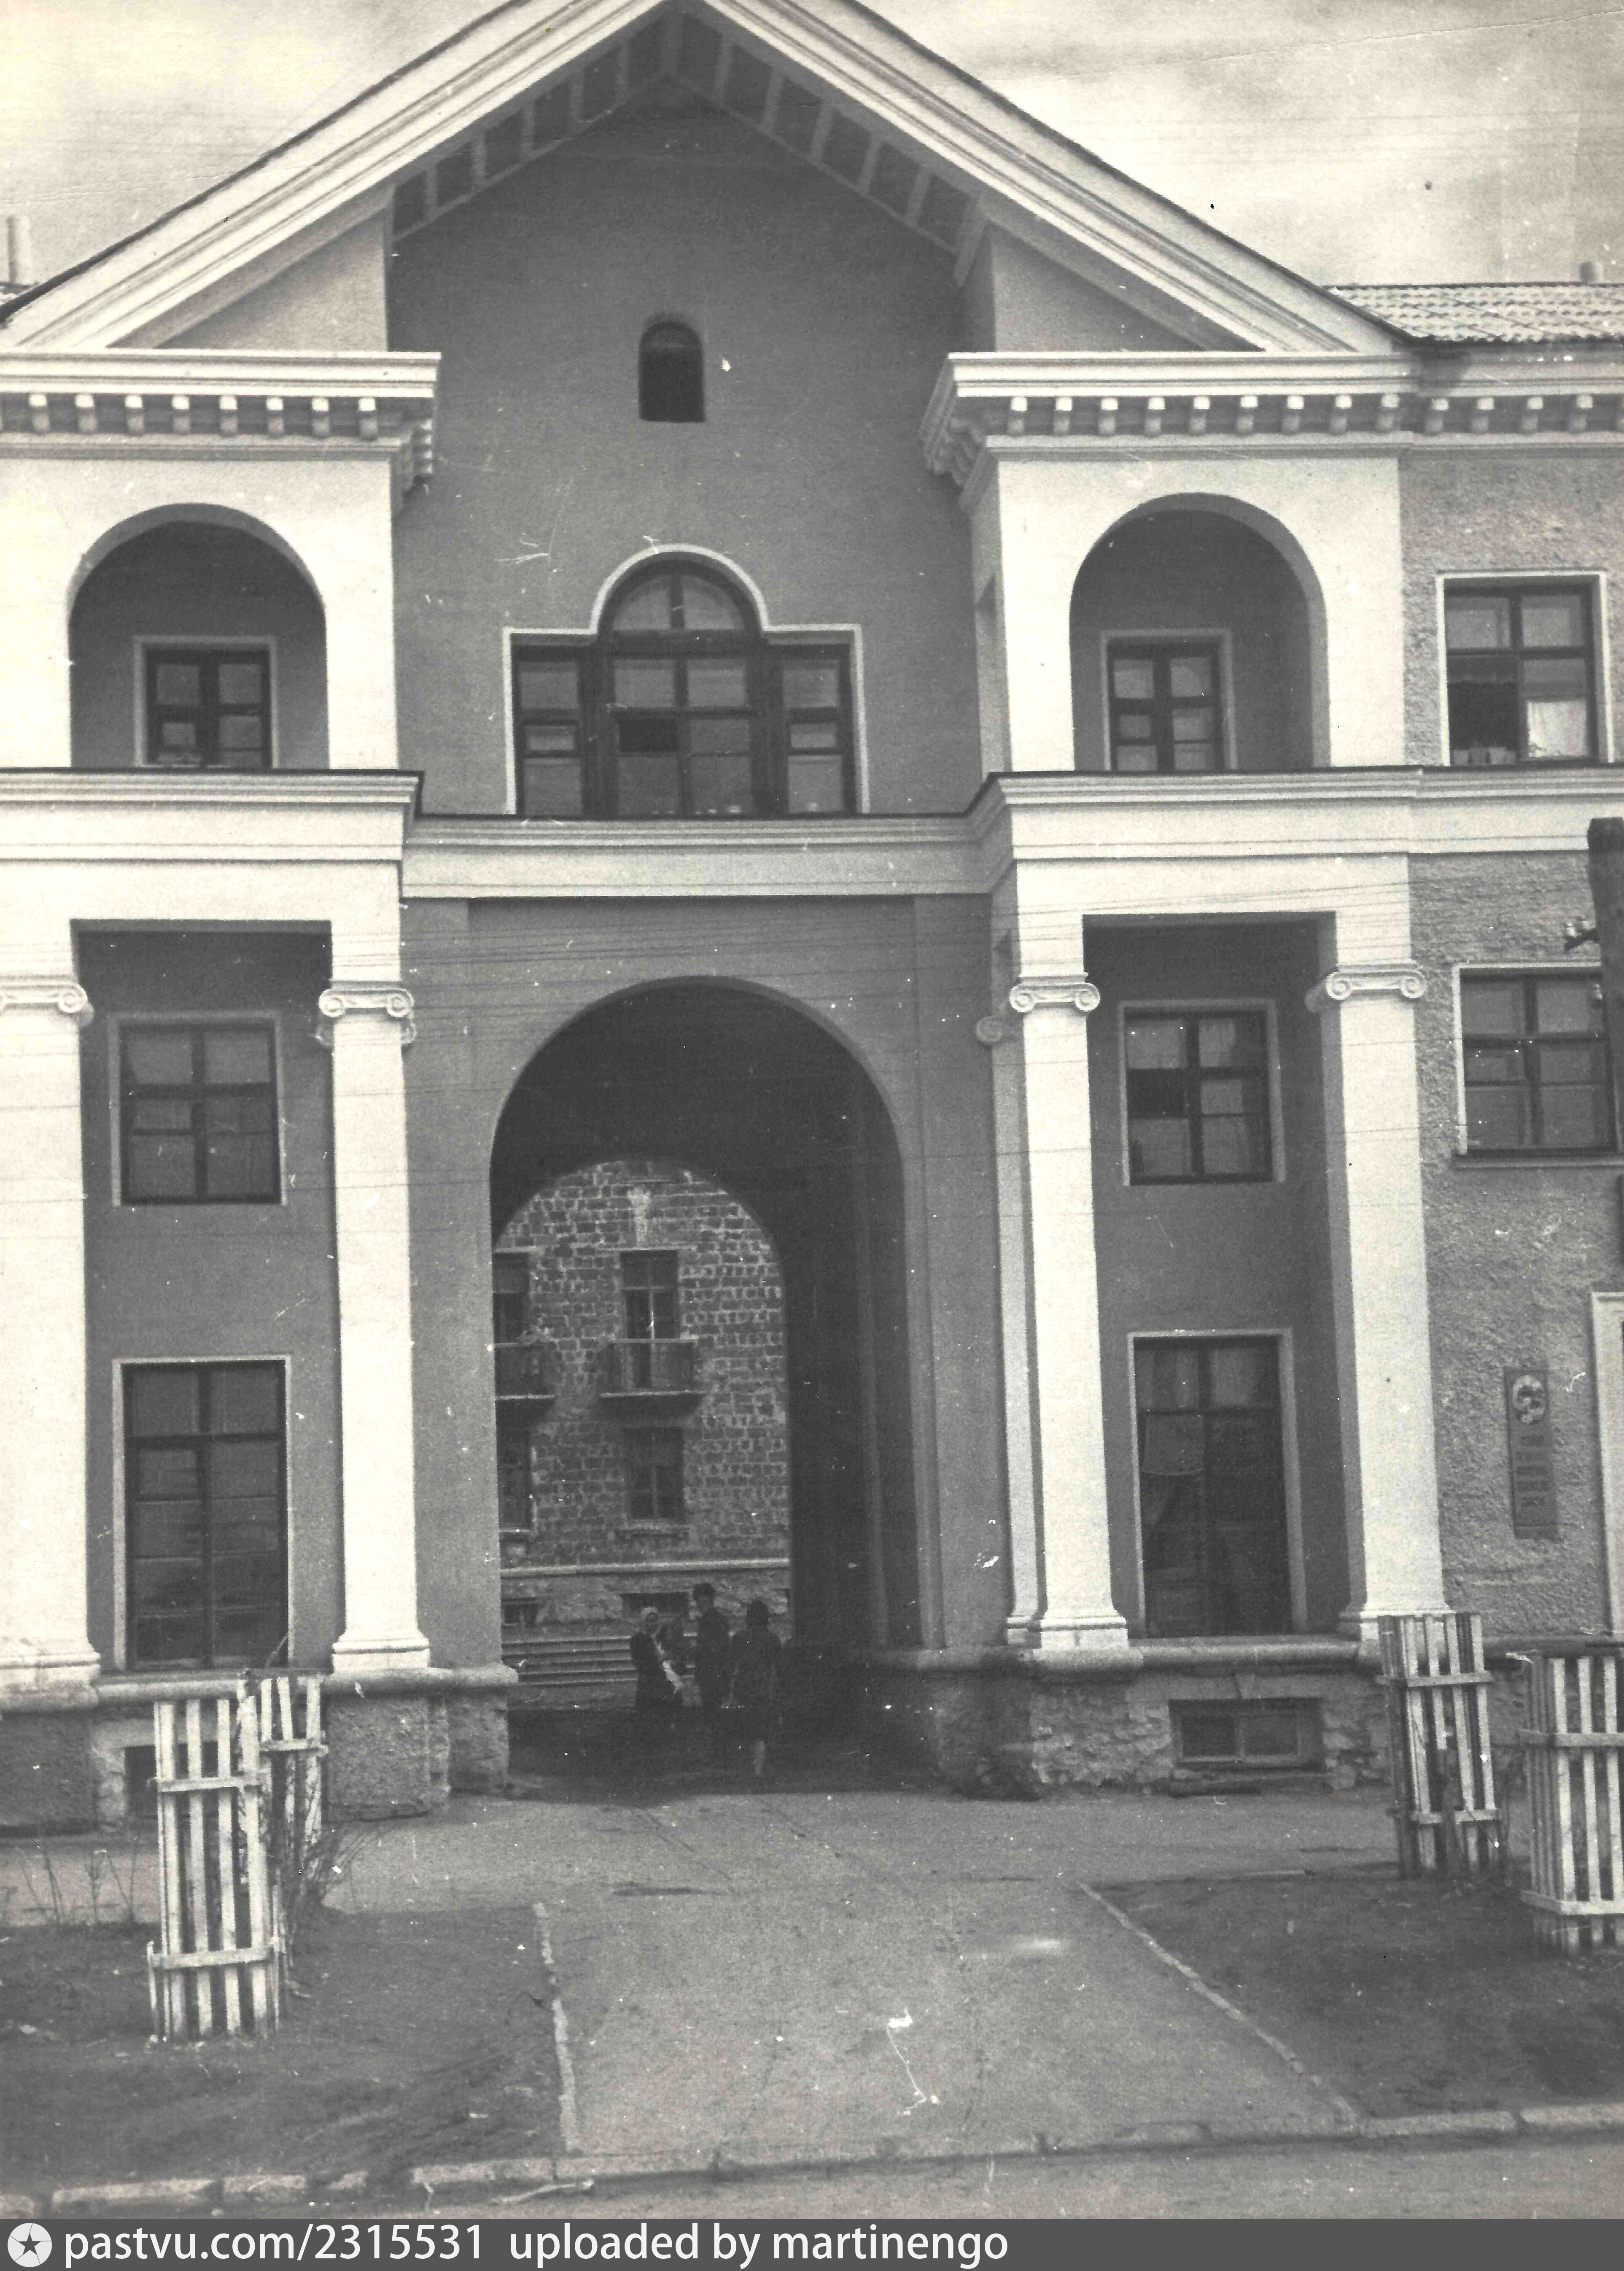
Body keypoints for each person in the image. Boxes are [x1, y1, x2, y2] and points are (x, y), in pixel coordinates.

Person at [728, 1597, 782, 1782]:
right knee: (761, 1732)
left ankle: (746, 1768)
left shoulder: (740, 1638)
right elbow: (778, 1667)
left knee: (745, 1729)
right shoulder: (772, 1639)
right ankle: (758, 1770)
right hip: (763, 1689)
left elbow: (732, 1664)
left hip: (744, 1688)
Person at [629, 1606, 683, 1720]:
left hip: (667, 1684)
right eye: (650, 1621)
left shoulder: (662, 1638)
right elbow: (641, 1665)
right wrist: (660, 1660)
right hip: (649, 1685)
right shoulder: (638, 1640)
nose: (653, 1624)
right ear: (644, 1622)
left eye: (655, 1621)